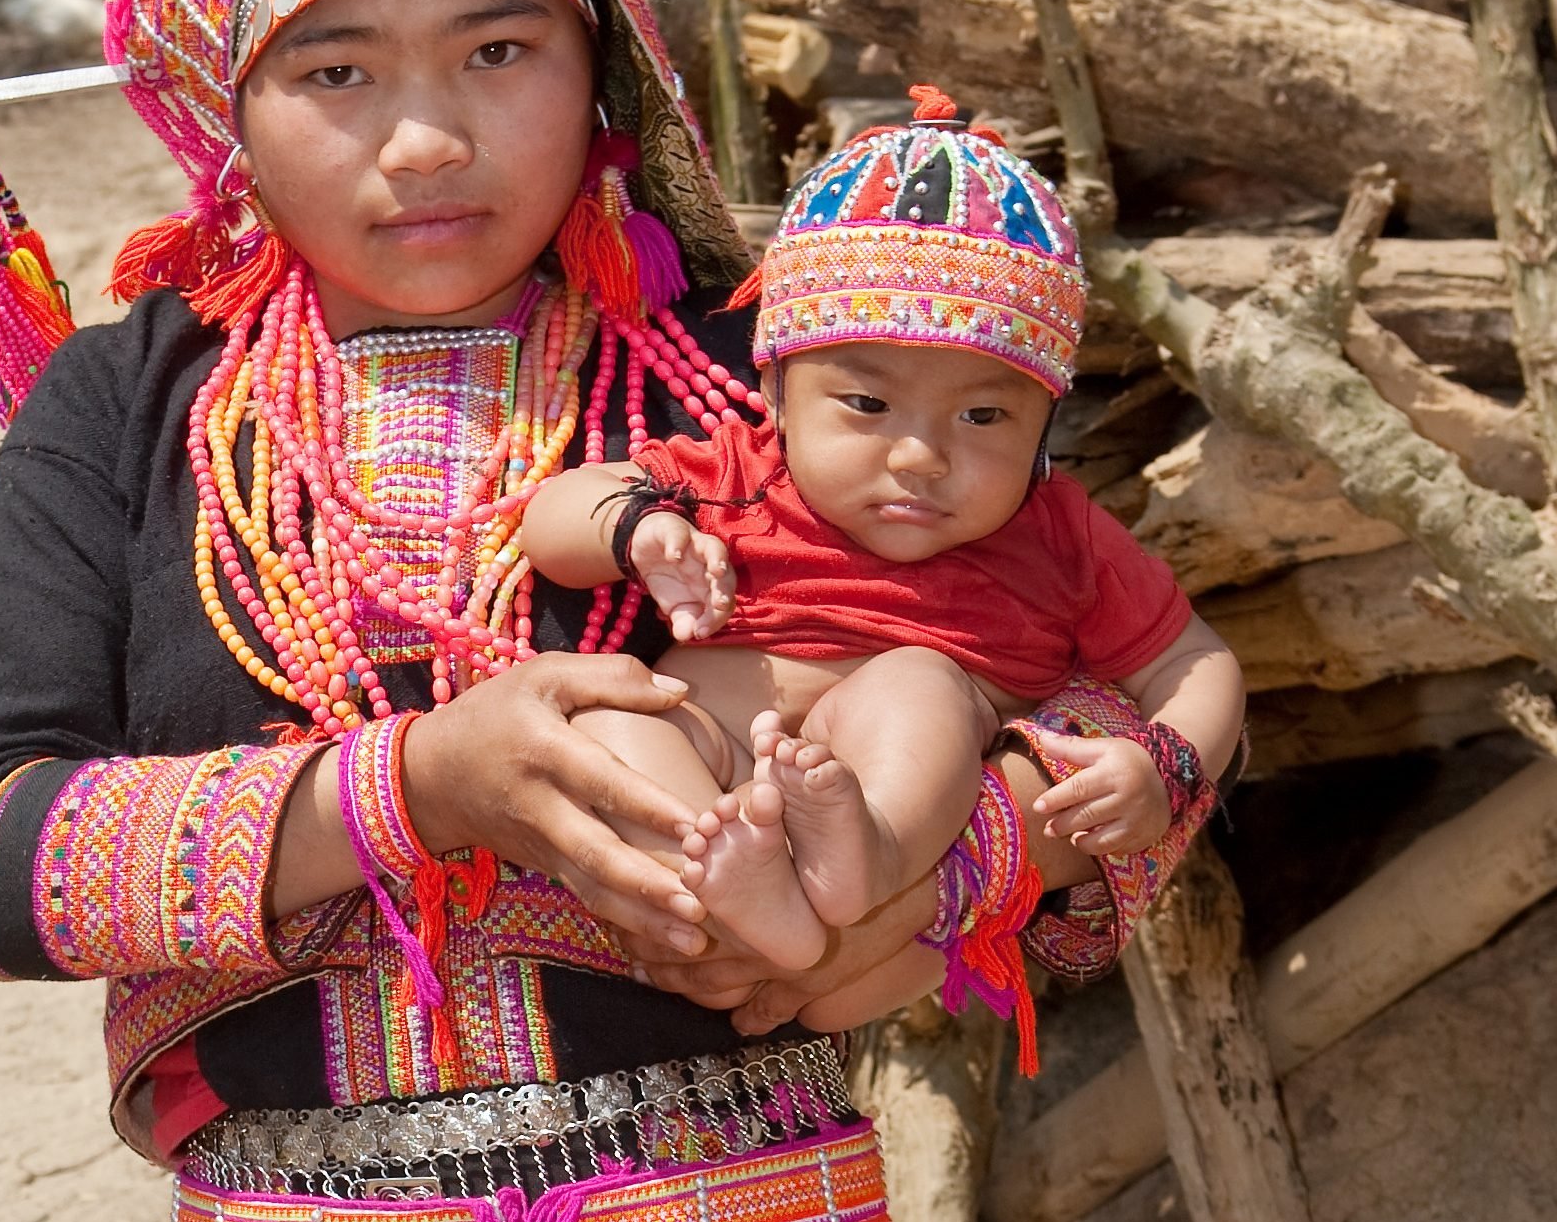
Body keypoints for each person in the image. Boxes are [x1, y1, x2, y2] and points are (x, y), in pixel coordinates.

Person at [0, 0, 1218, 1222]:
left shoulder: (760, 379)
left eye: (497, 48)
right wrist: (412, 788)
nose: (426, 137)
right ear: (226, 98)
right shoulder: (127, 408)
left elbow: (1078, 690)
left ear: (600, 56)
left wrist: (954, 863)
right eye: (334, 68)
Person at [518, 93, 1246, 982]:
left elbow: (1196, 664)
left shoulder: (1059, 534)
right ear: (778, 391)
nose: (921, 455)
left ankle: (864, 858)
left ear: (1046, 425)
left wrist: (1163, 766)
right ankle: (712, 894)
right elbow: (552, 522)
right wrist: (637, 529)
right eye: (866, 405)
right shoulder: (743, 468)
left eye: (983, 415)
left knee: (917, 684)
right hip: (718, 765)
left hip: (895, 816)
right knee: (614, 720)